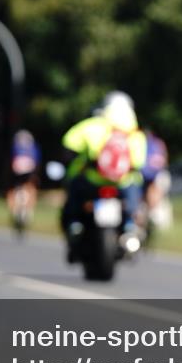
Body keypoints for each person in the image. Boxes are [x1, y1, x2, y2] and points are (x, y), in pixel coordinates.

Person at [60, 91, 147, 260]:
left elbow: (69, 146)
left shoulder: (92, 126)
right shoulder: (136, 133)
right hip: (124, 184)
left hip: (92, 182)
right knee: (134, 208)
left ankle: (74, 227)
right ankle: (130, 231)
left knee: (73, 202)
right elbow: (139, 163)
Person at [7, 130, 41, 228]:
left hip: (18, 168)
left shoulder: (16, 146)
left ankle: (14, 210)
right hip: (28, 168)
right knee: (30, 187)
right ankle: (28, 210)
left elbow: (11, 159)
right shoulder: (33, 147)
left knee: (13, 188)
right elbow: (37, 162)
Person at [140, 129, 171, 230]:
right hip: (154, 176)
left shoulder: (154, 144)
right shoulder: (158, 144)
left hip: (154, 176)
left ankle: (156, 223)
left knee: (156, 202)